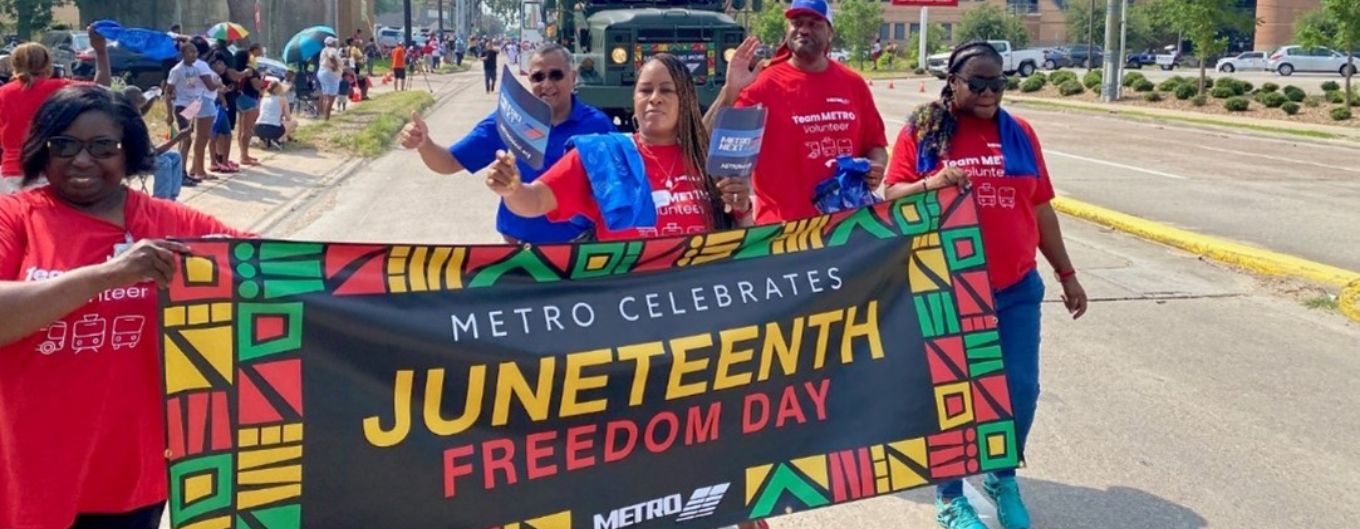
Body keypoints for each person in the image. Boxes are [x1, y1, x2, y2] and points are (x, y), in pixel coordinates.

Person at [0, 84, 249, 529]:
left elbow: (279, 268)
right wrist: (110, 274)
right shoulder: (17, 218)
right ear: (43, 150)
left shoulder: (171, 224)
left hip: (132, 477)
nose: (81, 160)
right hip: (29, 471)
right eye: (65, 145)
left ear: (128, 152)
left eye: (102, 147)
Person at [883, 41, 1088, 529]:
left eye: (997, 83)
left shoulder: (1019, 133)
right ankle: (950, 495)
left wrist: (1067, 273)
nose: (989, 92)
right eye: (977, 83)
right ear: (952, 81)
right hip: (947, 286)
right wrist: (931, 185)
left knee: (1019, 390)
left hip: (1016, 286)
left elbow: (1039, 207)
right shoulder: (924, 131)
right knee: (954, 393)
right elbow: (891, 196)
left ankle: (1000, 474)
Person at [486, 53, 752, 241]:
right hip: (626, 311)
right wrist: (511, 189)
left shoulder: (707, 160)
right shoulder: (601, 157)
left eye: (667, 91)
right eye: (645, 90)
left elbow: (741, 235)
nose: (654, 99)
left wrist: (743, 210)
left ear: (686, 100)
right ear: (634, 100)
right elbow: (533, 201)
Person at [399, 44, 615, 244]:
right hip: (517, 251)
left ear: (573, 78)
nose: (547, 84)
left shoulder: (597, 125)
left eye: (556, 75)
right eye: (538, 77)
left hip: (577, 250)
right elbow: (448, 163)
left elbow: (620, 185)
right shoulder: (510, 119)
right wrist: (424, 143)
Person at [705, 0, 888, 224]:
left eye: (814, 23)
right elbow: (706, 141)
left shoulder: (853, 84)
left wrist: (876, 168)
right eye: (797, 22)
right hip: (785, 235)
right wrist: (730, 90)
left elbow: (875, 145)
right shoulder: (763, 86)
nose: (803, 29)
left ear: (830, 32)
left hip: (846, 232)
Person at [0, 28, 111, 193]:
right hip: (47, 169)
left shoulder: (3, 93)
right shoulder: (60, 88)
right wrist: (100, 51)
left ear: (14, 65)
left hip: (10, 173)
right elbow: (102, 87)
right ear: (47, 64)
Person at [165, 40, 222, 183]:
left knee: (188, 138)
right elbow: (168, 91)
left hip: (192, 105)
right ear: (183, 53)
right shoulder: (177, 70)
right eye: (190, 52)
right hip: (181, 106)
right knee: (186, 138)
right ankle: (179, 173)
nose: (194, 54)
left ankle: (184, 170)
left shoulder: (194, 69)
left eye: (196, 52)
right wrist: (169, 113)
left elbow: (191, 87)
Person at [124, 86, 193, 200]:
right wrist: (178, 138)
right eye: (141, 95)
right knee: (163, 162)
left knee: (175, 156)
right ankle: (161, 199)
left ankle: (171, 198)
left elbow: (143, 110)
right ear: (134, 102)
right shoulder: (132, 122)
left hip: (143, 154)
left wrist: (153, 97)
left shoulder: (132, 113)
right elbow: (154, 152)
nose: (144, 97)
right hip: (134, 161)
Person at [234, 45, 266, 166]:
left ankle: (243, 153)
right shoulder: (250, 70)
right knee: (247, 131)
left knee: (241, 128)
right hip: (250, 99)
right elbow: (256, 86)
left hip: (240, 98)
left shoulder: (238, 69)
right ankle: (244, 155)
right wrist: (262, 81)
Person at [255, 80, 297, 149]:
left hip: (258, 127)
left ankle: (265, 139)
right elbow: (288, 117)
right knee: (294, 123)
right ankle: (279, 140)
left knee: (272, 123)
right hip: (273, 128)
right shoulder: (282, 99)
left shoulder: (264, 98)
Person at [317, 36, 344, 120]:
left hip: (322, 72)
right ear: (331, 43)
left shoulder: (323, 50)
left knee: (326, 96)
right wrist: (335, 66)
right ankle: (327, 118)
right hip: (330, 74)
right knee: (331, 97)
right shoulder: (331, 50)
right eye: (334, 42)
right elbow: (332, 57)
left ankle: (325, 116)